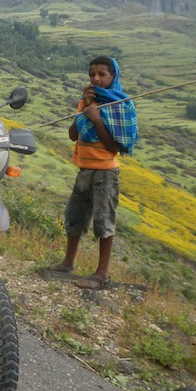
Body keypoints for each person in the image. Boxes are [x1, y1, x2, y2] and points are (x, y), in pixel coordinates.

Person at [49, 56, 139, 290]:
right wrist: (84, 109)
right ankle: (68, 263)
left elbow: (114, 147)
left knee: (103, 221)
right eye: (92, 75)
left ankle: (102, 273)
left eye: (102, 74)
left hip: (106, 173)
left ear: (113, 77)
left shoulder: (120, 105)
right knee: (74, 216)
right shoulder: (87, 101)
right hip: (84, 170)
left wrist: (97, 119)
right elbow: (72, 135)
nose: (96, 79)